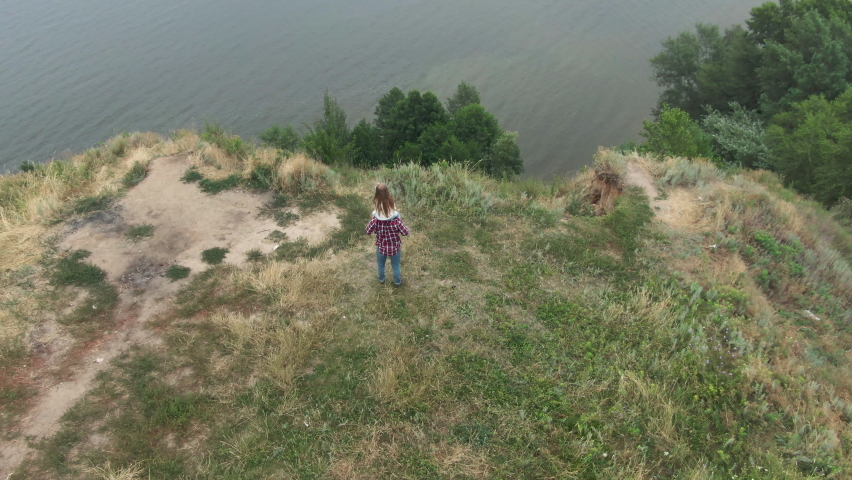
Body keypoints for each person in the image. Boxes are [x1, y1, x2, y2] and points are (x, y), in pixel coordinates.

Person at [366, 183, 409, 286]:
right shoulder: (396, 221)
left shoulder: (375, 221)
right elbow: (405, 232)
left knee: (381, 265)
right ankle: (397, 282)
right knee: (396, 266)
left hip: (381, 247)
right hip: (394, 247)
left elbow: (368, 231)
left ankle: (381, 280)